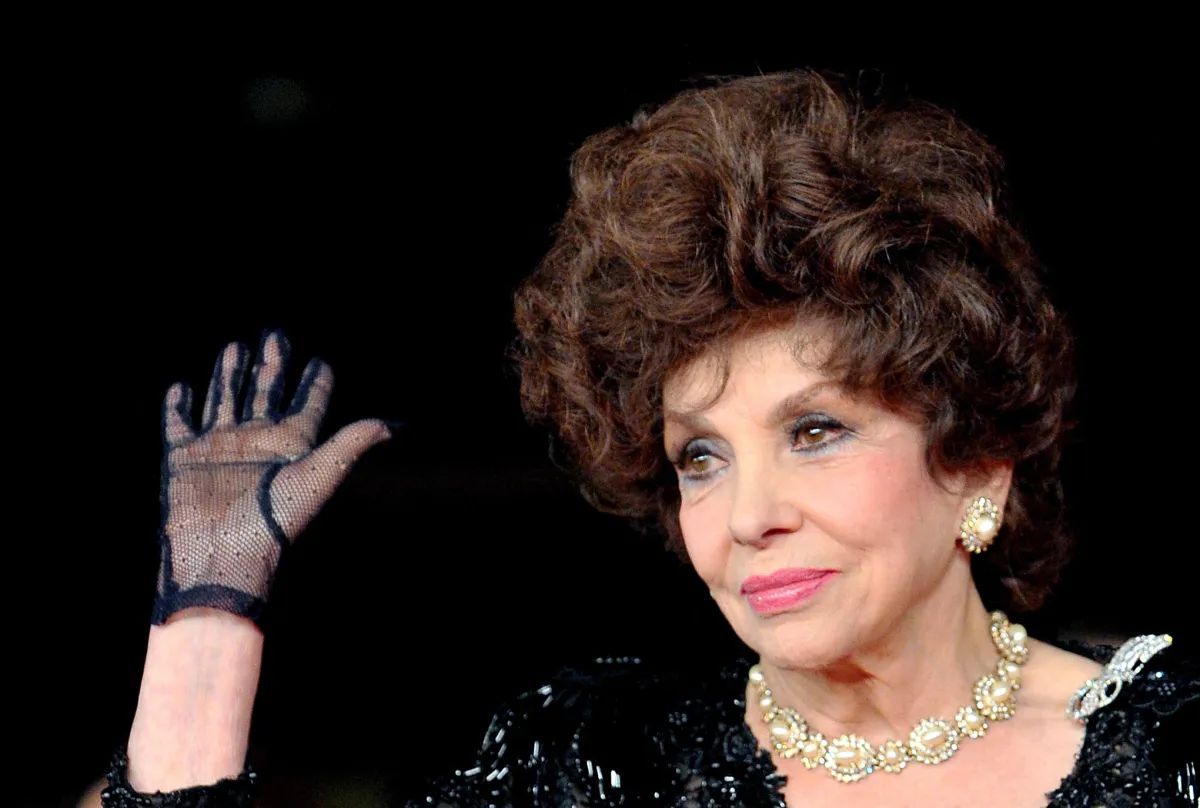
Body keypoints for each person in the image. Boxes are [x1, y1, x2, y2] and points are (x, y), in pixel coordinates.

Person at [100, 70, 1197, 807]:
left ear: (976, 463)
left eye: (814, 430)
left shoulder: (1179, 746)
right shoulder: (584, 761)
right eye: (700, 457)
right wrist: (207, 624)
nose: (749, 513)